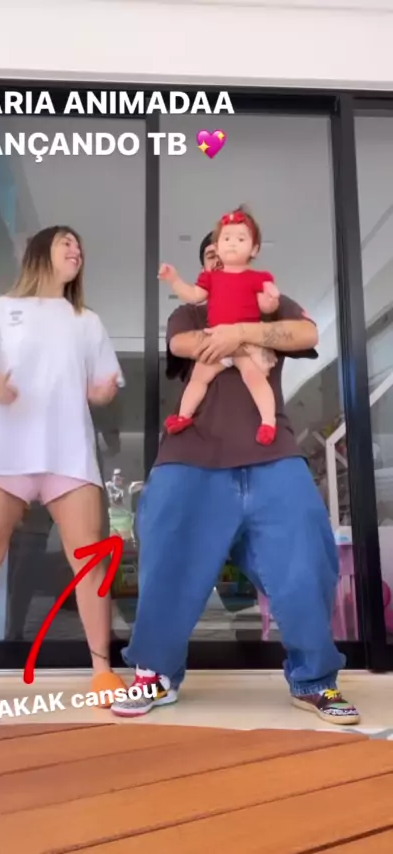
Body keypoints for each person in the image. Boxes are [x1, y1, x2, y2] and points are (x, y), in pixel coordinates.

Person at [111, 230, 360, 726]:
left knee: (307, 559)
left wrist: (243, 330)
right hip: (189, 456)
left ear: (249, 254)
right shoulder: (191, 311)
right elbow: (181, 343)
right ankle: (155, 674)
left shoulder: (269, 299)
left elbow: (306, 334)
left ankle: (314, 681)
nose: (220, 258)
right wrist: (240, 338)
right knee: (165, 561)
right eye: (210, 255)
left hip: (272, 453)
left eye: (228, 249)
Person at [0, 225, 127, 716]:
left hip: (67, 451)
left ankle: (102, 671)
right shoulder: (4, 310)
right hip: (4, 450)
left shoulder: (87, 321)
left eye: (79, 246)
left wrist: (102, 392)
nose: (76, 250)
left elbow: (102, 385)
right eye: (66, 242)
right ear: (42, 252)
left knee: (89, 560)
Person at [160, 207, 279, 444]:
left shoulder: (258, 278)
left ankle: (268, 422)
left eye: (240, 239)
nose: (232, 244)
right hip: (216, 343)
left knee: (255, 378)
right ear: (218, 246)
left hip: (245, 343)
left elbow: (266, 307)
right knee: (197, 379)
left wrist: (271, 298)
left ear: (254, 249)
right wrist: (174, 280)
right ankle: (183, 416)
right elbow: (193, 295)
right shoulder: (210, 278)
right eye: (226, 239)